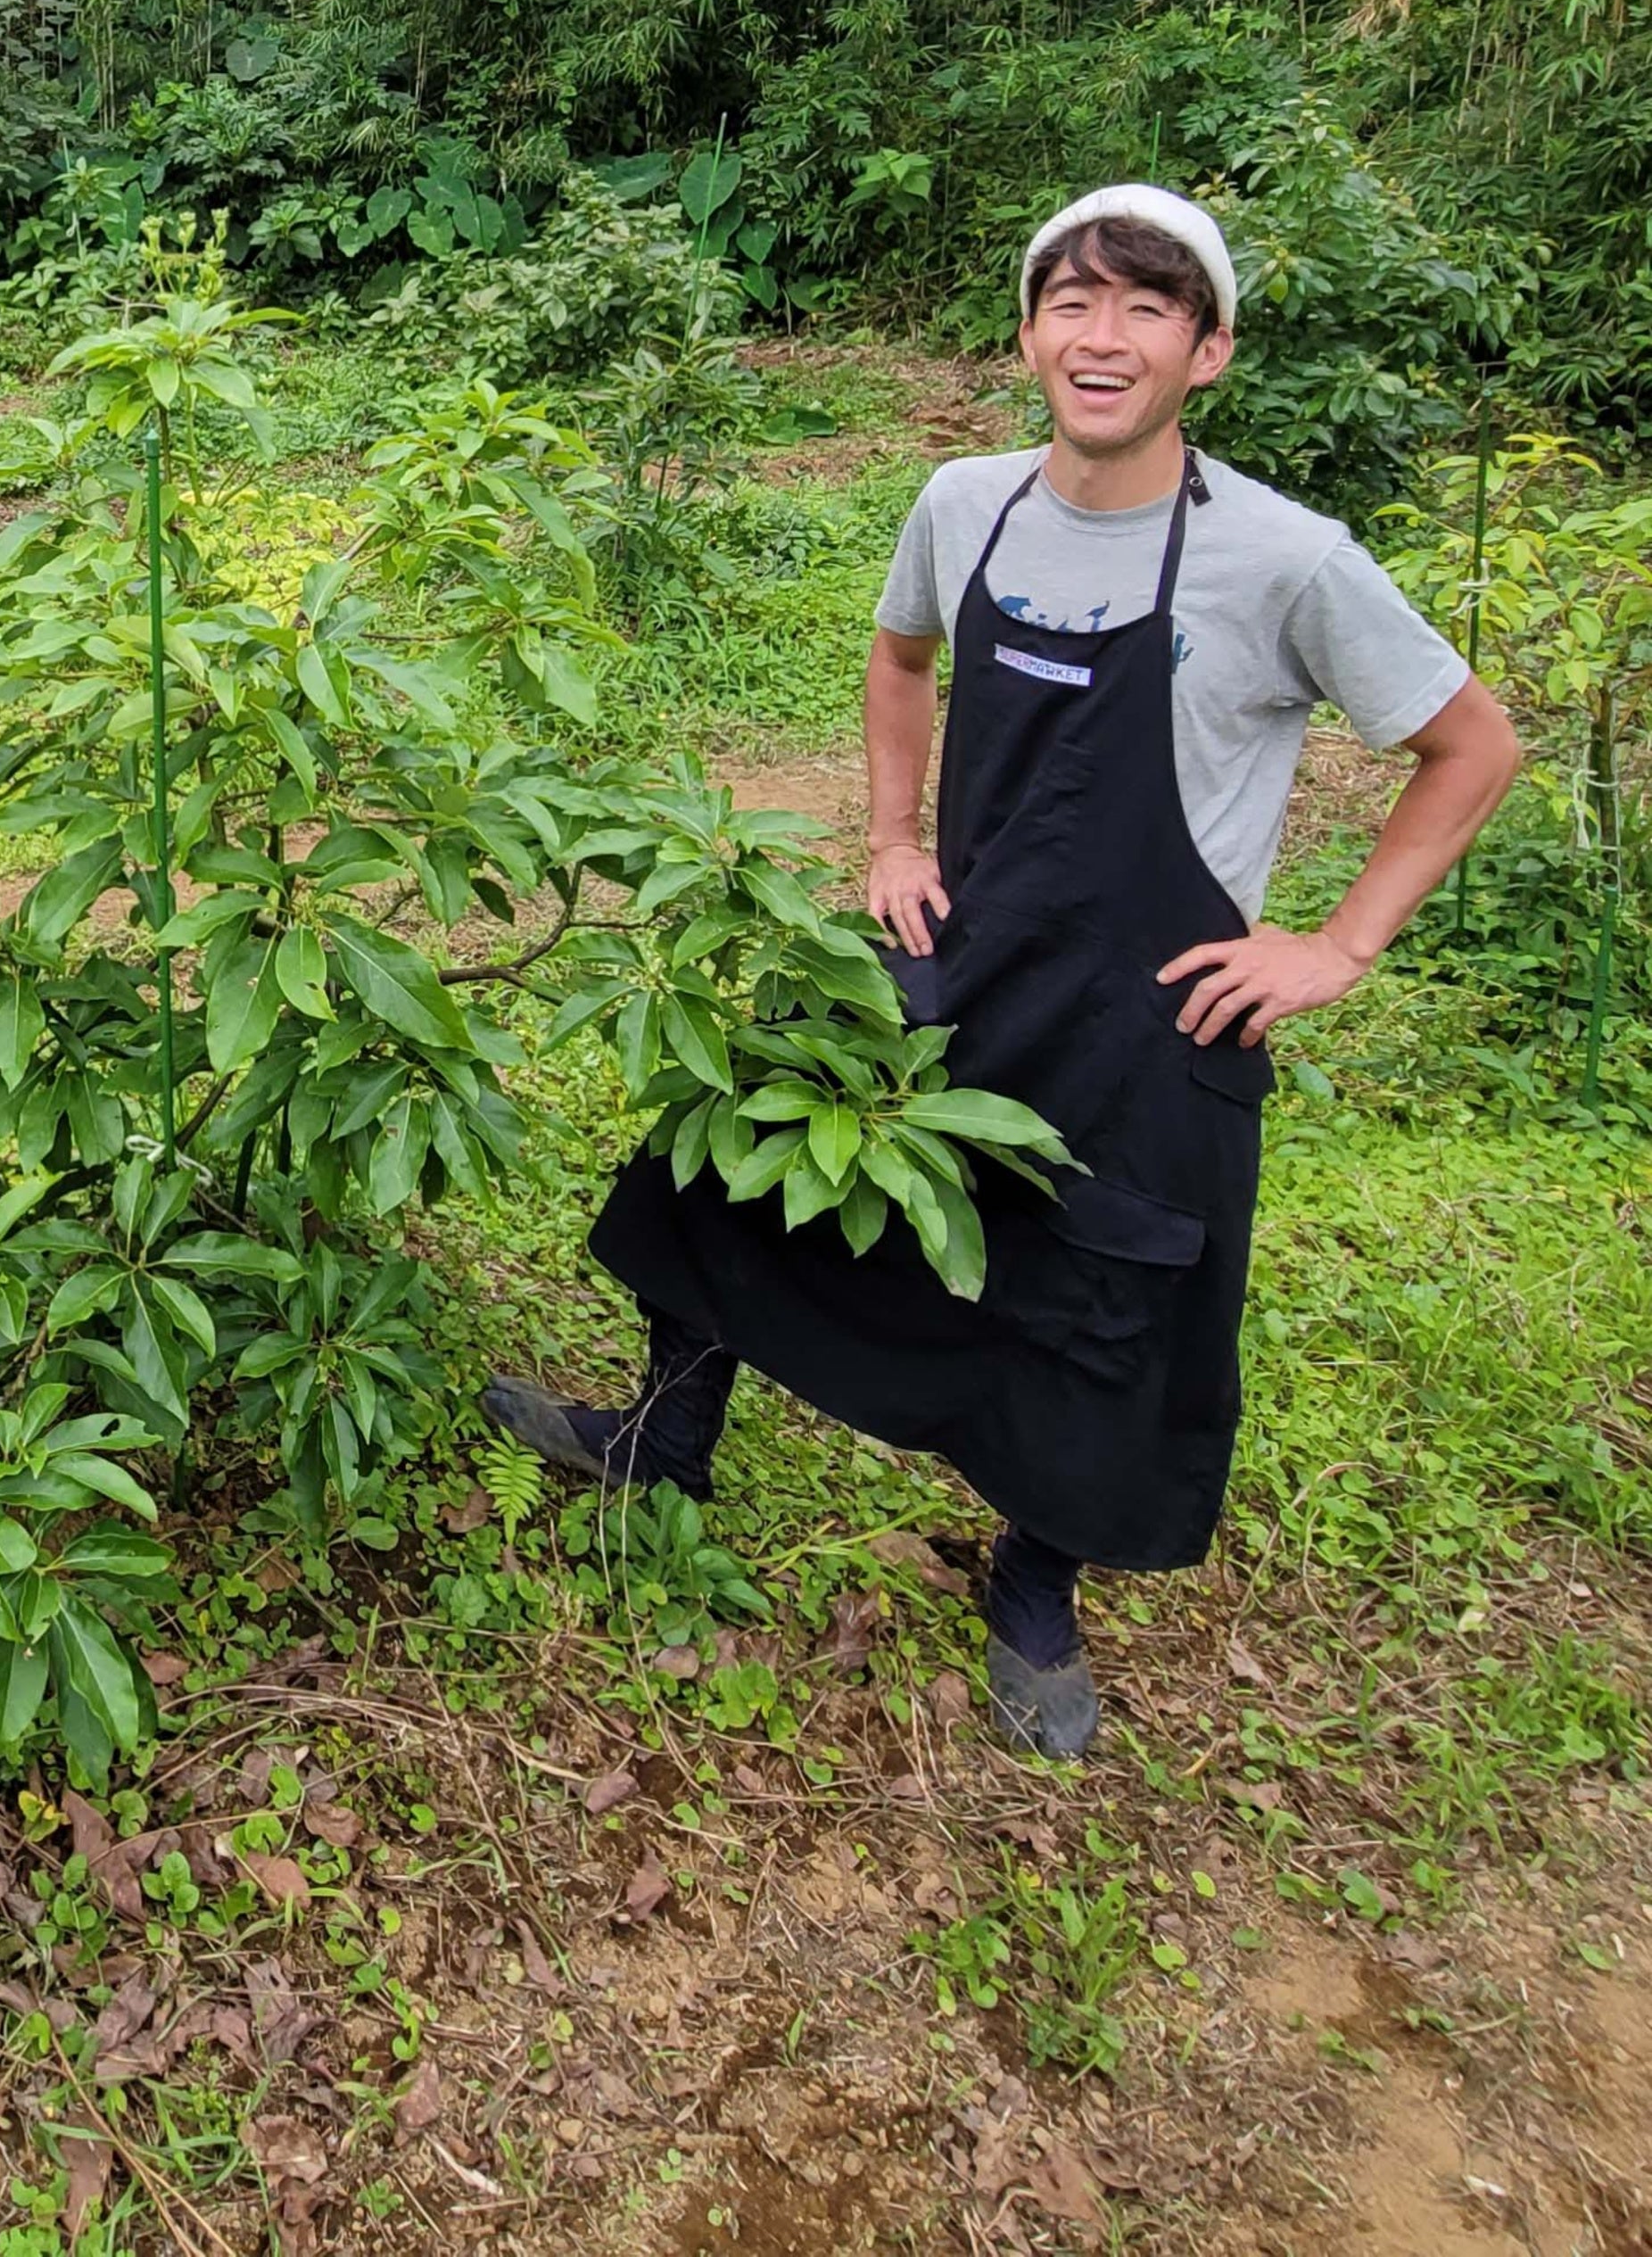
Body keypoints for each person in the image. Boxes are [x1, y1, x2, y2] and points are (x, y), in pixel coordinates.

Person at [486, 183, 1520, 1755]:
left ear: (1209, 351)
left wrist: (1339, 942)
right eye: (1072, 302)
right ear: (1030, 332)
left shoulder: (1286, 561)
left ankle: (1035, 1587)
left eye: (1146, 309)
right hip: (955, 952)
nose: (1102, 338)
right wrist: (895, 839)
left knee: (1103, 1292)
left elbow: (1471, 744)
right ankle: (663, 1435)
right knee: (740, 1163)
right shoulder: (963, 503)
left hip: (1149, 1005)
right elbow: (900, 659)